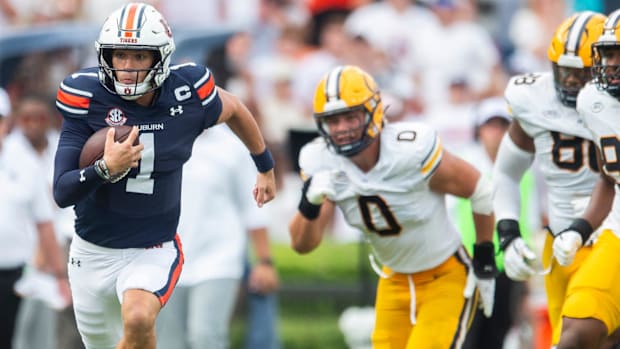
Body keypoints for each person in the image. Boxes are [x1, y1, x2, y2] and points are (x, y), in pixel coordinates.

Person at [52, 3, 276, 349]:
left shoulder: (187, 92)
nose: (126, 68)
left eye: (138, 57)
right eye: (119, 55)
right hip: (92, 251)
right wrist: (104, 169)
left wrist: (264, 165)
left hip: (153, 246)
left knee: (139, 319)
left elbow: (234, 108)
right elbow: (63, 191)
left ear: (161, 57)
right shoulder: (87, 96)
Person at [288, 64, 497, 349]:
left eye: (350, 117)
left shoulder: (409, 150)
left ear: (372, 112)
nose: (342, 129)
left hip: (444, 275)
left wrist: (485, 259)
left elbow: (480, 190)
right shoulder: (321, 161)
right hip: (393, 279)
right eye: (333, 120)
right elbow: (303, 244)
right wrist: (309, 203)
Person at [492, 11, 607, 348]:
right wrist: (508, 232)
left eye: (581, 73)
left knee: (581, 336)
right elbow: (506, 172)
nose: (571, 81)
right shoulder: (533, 100)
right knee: (566, 337)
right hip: (559, 243)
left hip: (610, 238)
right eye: (565, 71)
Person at [156, 125, 279, 349]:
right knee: (168, 343)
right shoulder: (158, 135)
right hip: (165, 261)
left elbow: (253, 207)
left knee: (205, 336)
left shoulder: (233, 146)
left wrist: (264, 261)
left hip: (218, 260)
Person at [552, 9, 620, 349]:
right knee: (575, 335)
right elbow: (610, 176)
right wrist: (581, 228)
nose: (612, 63)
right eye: (608, 53)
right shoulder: (593, 101)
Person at [453, 97, 534, 349]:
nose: (497, 133)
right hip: (469, 265)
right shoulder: (464, 167)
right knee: (468, 337)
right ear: (479, 130)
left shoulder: (524, 172)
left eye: (502, 126)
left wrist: (527, 276)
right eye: (491, 126)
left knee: (496, 337)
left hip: (506, 267)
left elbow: (529, 222)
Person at [0, 88, 71, 348]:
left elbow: (45, 223)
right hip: (27, 265)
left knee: (26, 339)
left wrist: (59, 273)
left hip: (25, 271)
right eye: (26, 118)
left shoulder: (26, 163)